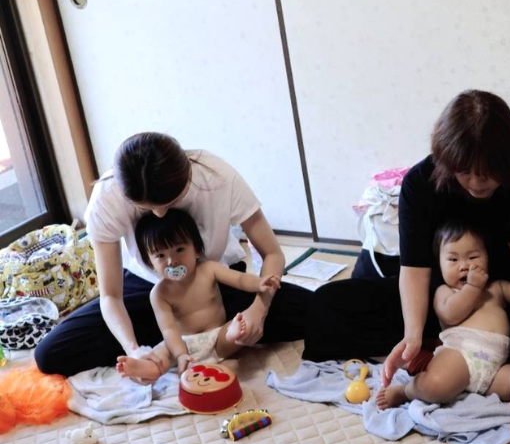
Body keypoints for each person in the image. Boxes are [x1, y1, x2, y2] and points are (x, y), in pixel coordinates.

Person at [304, 90, 510, 420]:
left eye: (488, 171)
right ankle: (438, 354)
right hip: (439, 297)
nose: (476, 182)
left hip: (503, 303)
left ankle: (486, 367)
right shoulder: (420, 183)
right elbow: (414, 269)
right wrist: (412, 335)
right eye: (464, 171)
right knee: (326, 306)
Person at [34, 132, 310, 378]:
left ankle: (185, 341)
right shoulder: (107, 197)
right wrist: (133, 349)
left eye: (170, 202)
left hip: (215, 283)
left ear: (187, 175)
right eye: (146, 208)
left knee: (312, 310)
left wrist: (258, 310)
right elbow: (111, 296)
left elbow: (272, 253)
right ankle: (171, 346)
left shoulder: (217, 178)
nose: (160, 214)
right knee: (51, 353)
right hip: (150, 290)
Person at [377, 222, 510, 442]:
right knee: (437, 386)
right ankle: (405, 391)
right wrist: (472, 287)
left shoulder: (496, 289)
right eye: (453, 259)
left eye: (473, 257)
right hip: (458, 356)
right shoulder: (444, 292)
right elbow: (450, 314)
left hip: (494, 369)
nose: (464, 266)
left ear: (487, 258)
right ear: (439, 264)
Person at [115, 209, 282, 380]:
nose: (172, 261)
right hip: (183, 343)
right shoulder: (159, 293)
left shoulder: (209, 269)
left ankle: (236, 332)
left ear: (196, 249)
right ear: (150, 263)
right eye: (161, 255)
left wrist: (259, 283)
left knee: (236, 329)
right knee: (162, 352)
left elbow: (239, 279)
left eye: (180, 249)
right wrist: (180, 354)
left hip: (217, 337)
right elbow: (169, 329)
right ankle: (149, 368)